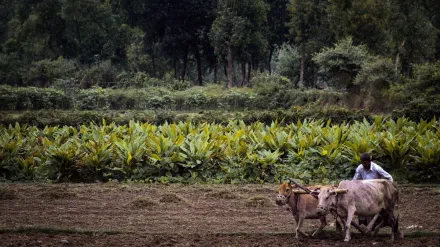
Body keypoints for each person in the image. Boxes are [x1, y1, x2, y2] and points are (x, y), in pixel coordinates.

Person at [353, 152, 393, 227]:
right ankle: (364, 225)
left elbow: (389, 177)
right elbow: (354, 181)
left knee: (378, 209)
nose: (363, 165)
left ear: (369, 161)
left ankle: (376, 224)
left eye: (365, 163)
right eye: (362, 163)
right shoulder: (360, 168)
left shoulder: (377, 168)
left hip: (376, 192)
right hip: (365, 191)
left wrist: (388, 189)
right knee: (360, 206)